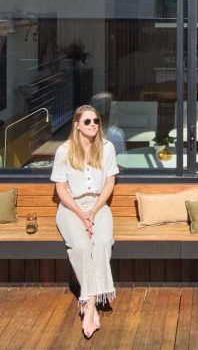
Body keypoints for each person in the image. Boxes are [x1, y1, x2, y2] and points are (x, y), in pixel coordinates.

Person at [51, 105, 119, 339]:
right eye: (87, 121)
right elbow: (61, 189)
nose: (93, 125)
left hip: (98, 206)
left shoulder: (107, 148)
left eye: (96, 121)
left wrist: (95, 210)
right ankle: (92, 301)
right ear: (77, 124)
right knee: (80, 246)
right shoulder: (64, 151)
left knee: (101, 242)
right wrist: (81, 214)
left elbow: (110, 182)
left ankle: (88, 303)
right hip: (71, 208)